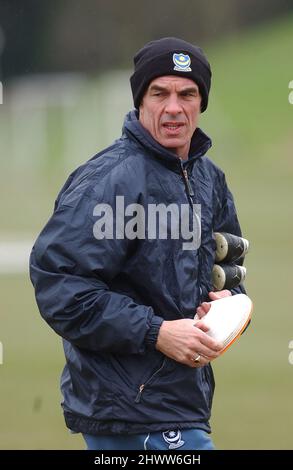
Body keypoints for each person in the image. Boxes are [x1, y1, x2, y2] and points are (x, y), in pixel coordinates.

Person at [30, 37, 246, 451]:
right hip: (130, 410)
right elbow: (60, 287)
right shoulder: (108, 181)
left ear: (202, 103)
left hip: (183, 403)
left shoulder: (209, 179)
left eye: (187, 94)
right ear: (140, 100)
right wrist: (156, 332)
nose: (173, 107)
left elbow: (228, 269)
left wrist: (227, 303)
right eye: (159, 93)